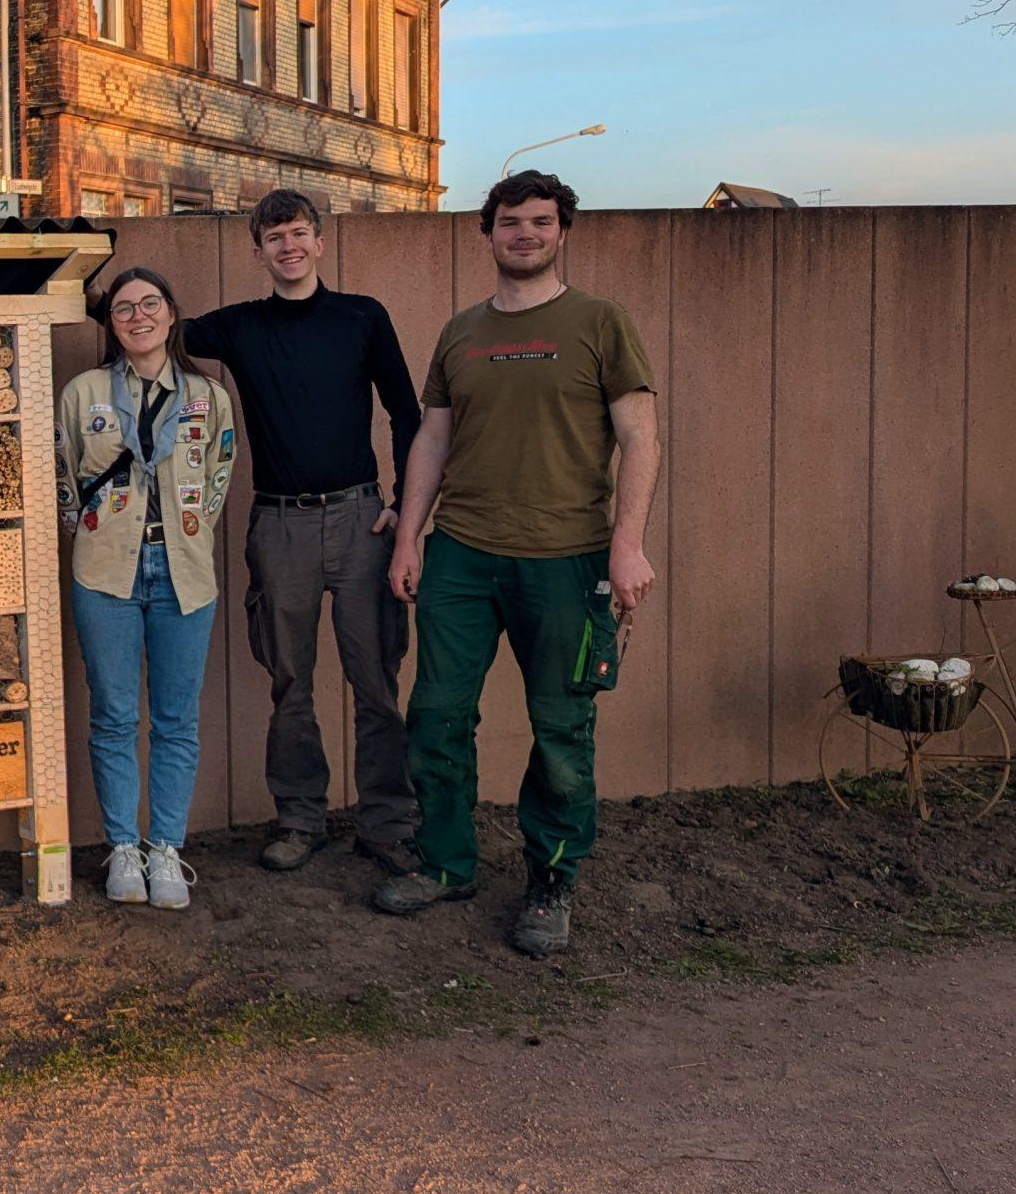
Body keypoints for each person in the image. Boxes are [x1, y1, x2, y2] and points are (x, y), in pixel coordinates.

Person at [379, 171, 661, 957]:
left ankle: (553, 878)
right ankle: (444, 864)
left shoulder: (601, 323)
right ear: (489, 232)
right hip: (461, 555)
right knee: (435, 717)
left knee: (563, 729)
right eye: (511, 222)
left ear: (563, 230)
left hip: (567, 561)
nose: (526, 234)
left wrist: (627, 542)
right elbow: (430, 440)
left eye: (541, 221)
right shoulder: (460, 332)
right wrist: (409, 535)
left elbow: (640, 437)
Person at [180, 189, 422, 873]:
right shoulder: (239, 327)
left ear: (320, 241)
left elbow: (407, 413)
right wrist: (101, 295)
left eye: (298, 233)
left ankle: (387, 821)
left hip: (360, 521)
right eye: (274, 237)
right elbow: (155, 327)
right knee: (290, 682)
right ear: (256, 252)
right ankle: (300, 819)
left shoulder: (362, 318)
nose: (288, 246)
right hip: (279, 523)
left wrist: (405, 503)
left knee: (376, 679)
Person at [57, 265, 239, 910]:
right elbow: (63, 476)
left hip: (184, 575)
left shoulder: (206, 395)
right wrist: (98, 533)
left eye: (150, 304)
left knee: (175, 719)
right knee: (111, 715)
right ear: (111, 324)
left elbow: (218, 475)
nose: (138, 316)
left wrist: (186, 537)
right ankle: (122, 849)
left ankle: (166, 848)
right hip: (105, 572)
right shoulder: (84, 393)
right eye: (124, 308)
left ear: (171, 313)